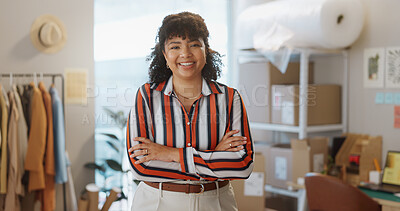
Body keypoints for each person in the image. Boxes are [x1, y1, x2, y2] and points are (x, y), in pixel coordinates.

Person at [126, 11, 254, 211]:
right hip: (157, 202)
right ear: (165, 55)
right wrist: (214, 156)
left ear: (206, 50)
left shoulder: (229, 97)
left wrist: (170, 154)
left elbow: (242, 164)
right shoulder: (146, 96)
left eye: (194, 44)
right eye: (175, 46)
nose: (185, 53)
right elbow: (141, 167)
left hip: (215, 202)